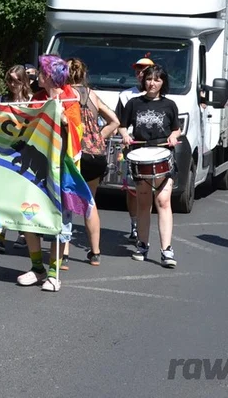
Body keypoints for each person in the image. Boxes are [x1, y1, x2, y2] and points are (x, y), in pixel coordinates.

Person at [15, 54, 80, 292]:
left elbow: (75, 134)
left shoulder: (72, 97)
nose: (36, 76)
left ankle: (54, 273)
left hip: (61, 170)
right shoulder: (38, 97)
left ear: (49, 76)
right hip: (37, 170)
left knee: (57, 221)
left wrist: (62, 118)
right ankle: (37, 268)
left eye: (40, 73)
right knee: (30, 216)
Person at [119, 64, 180, 268]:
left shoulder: (170, 105)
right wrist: (126, 135)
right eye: (149, 79)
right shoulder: (134, 103)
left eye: (157, 79)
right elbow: (121, 125)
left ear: (163, 82)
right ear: (143, 81)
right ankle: (143, 244)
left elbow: (176, 130)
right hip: (140, 157)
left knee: (163, 201)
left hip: (163, 157)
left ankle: (166, 250)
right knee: (144, 204)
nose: (152, 83)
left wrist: (173, 136)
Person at [67, 58, 120, 265]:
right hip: (96, 155)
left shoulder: (64, 95)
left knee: (67, 203)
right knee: (90, 202)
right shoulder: (92, 95)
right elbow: (115, 120)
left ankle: (63, 255)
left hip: (76, 153)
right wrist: (99, 135)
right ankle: (95, 252)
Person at [0, 65, 33, 254]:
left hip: (24, 152)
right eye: (9, 80)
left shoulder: (31, 101)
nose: (12, 84)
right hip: (4, 152)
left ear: (24, 81)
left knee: (21, 195)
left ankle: (23, 234)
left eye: (16, 80)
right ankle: (1, 236)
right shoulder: (1, 100)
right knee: (3, 195)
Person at [115, 57, 154, 242]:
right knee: (132, 188)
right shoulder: (125, 96)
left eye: (144, 71)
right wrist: (122, 137)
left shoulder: (161, 96)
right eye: (138, 70)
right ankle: (134, 225)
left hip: (153, 148)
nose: (140, 74)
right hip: (131, 147)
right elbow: (119, 122)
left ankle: (144, 225)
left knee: (148, 189)